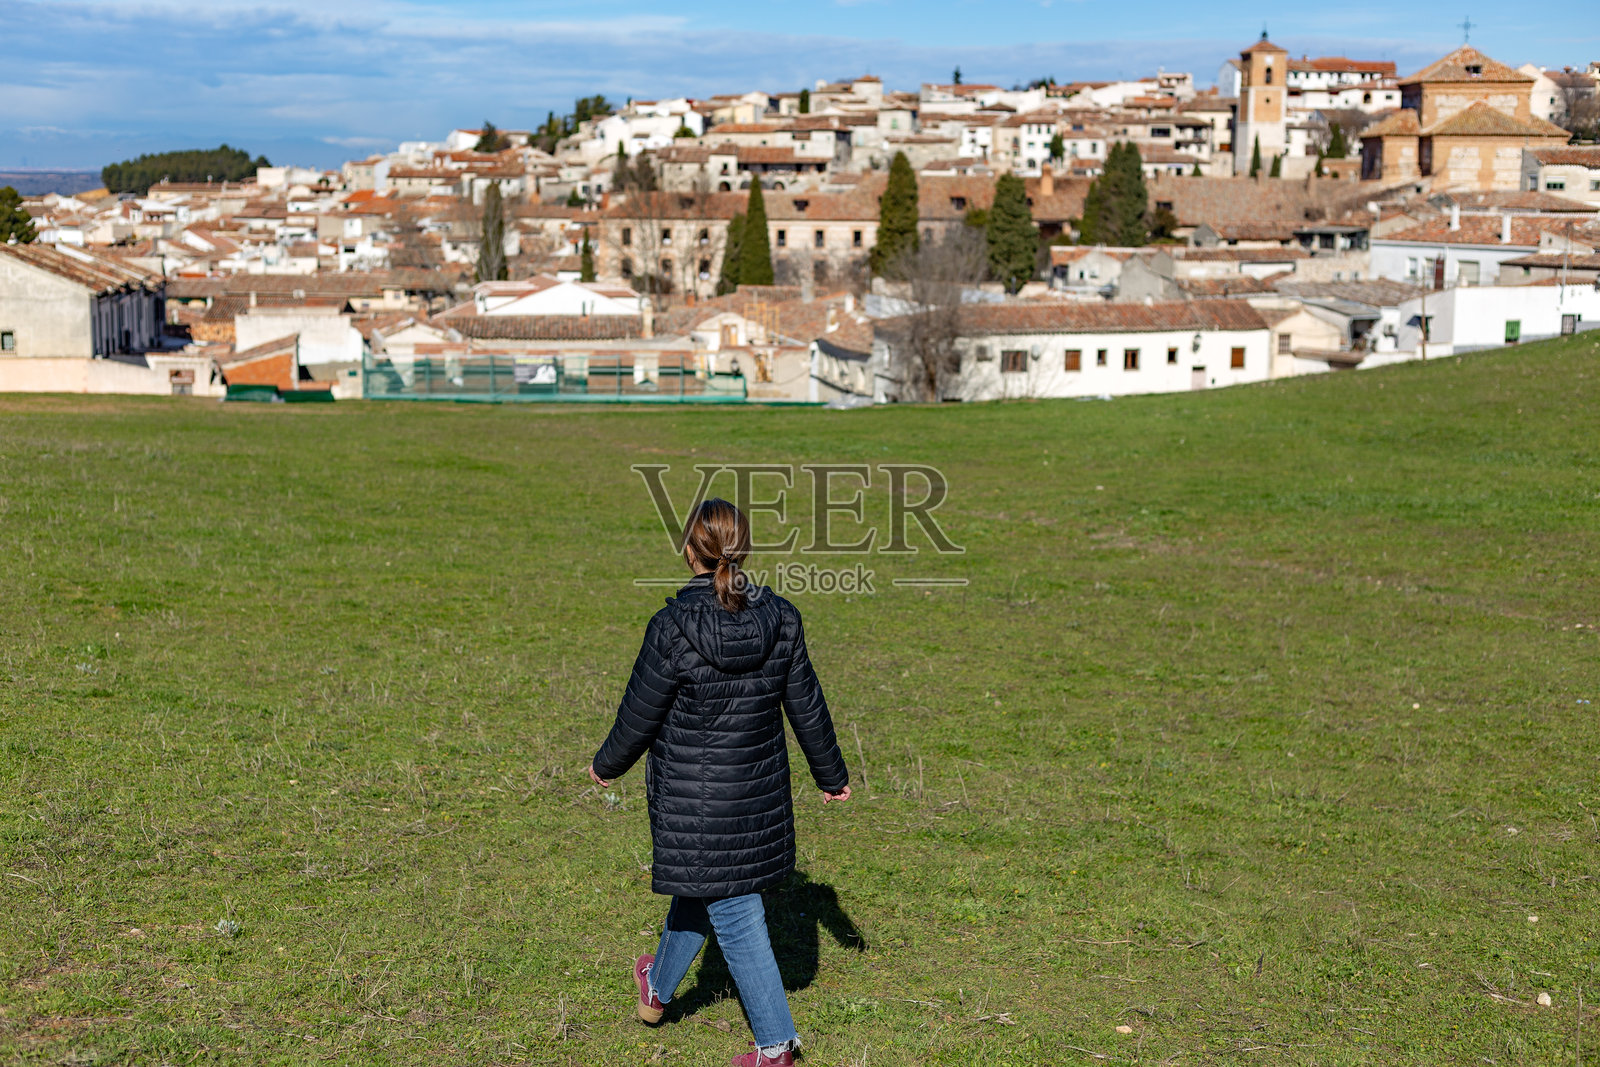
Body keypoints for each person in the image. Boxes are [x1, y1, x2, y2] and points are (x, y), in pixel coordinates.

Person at [589, 498, 851, 1067]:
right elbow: (807, 703)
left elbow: (640, 713)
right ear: (742, 550)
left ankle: (776, 1047)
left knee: (734, 908)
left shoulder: (671, 626)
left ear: (689, 551)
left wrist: (605, 765)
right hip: (755, 799)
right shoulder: (780, 617)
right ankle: (657, 986)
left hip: (693, 800)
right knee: (703, 883)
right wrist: (831, 774)